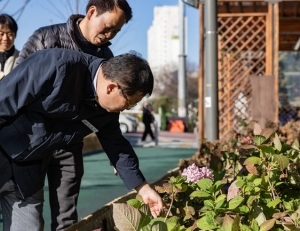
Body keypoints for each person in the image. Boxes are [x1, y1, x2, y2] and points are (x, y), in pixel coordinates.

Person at [0, 48, 165, 231]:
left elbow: (117, 146)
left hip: (28, 174)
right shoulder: (56, 65)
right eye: (130, 103)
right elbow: (3, 101)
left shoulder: (106, 113)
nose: (127, 109)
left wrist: (143, 188)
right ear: (112, 88)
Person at [15, 0, 132, 230]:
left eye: (116, 31)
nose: (111, 35)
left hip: (70, 146)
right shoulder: (46, 38)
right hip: (31, 141)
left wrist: (114, 154)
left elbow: (106, 113)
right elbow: (19, 83)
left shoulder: (107, 58)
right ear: (91, 12)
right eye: (108, 27)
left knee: (66, 217)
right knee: (29, 213)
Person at [0, 14, 19, 80]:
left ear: (15, 35)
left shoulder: (22, 58)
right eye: (1, 34)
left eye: (10, 34)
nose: (5, 38)